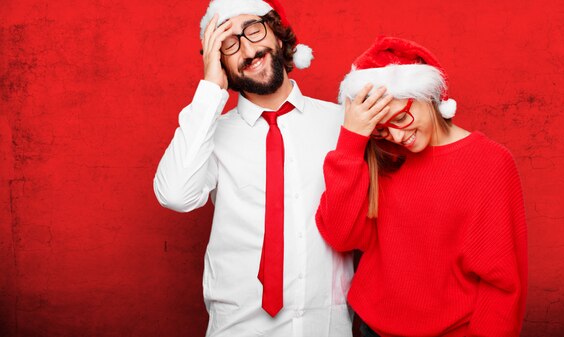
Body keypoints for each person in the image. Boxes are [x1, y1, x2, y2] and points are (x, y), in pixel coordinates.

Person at [153, 1, 353, 336]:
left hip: (326, 326)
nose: (247, 48)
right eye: (228, 44)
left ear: (277, 34)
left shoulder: (342, 123)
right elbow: (175, 195)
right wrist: (210, 90)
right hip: (239, 329)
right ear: (218, 62)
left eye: (254, 30)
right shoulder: (209, 135)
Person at [316, 36, 528, 337]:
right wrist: (352, 140)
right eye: (381, 129)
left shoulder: (490, 163)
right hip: (370, 329)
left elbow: (502, 285)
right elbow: (340, 236)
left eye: (401, 118)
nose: (397, 137)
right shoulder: (382, 154)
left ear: (427, 96)